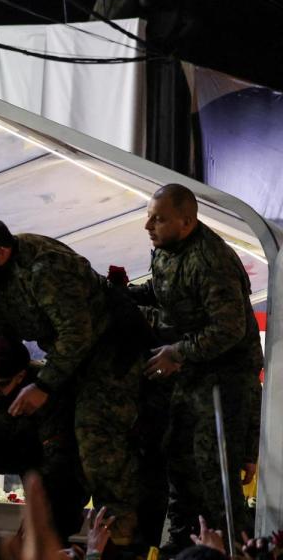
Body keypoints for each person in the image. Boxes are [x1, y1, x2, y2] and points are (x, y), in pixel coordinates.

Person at [0, 215, 143, 547]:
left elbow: (77, 333)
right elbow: (1, 337)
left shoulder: (44, 268)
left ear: (0, 253)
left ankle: (121, 536)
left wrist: (45, 385)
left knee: (95, 434)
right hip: (70, 356)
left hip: (111, 348)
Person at [128, 183, 262, 550]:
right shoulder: (167, 249)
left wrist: (177, 353)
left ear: (186, 222)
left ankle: (234, 547)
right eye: (149, 215)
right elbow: (165, 290)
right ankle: (186, 544)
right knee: (180, 461)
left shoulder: (210, 260)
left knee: (213, 472)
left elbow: (229, 330)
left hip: (227, 376)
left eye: (158, 219)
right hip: (195, 369)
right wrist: (125, 292)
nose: (148, 226)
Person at [0, 336, 85, 542]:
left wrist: (38, 518)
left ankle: (48, 539)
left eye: (1, 384)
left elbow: (57, 456)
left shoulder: (42, 390)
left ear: (20, 377)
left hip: (34, 455)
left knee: (63, 485)